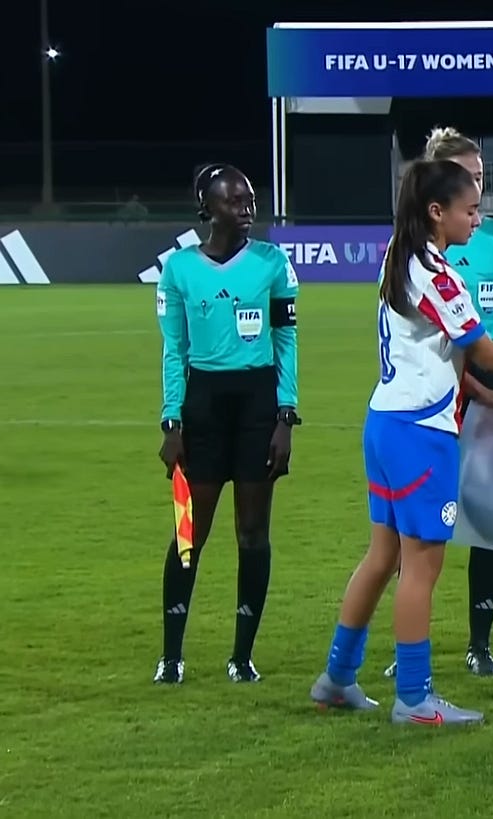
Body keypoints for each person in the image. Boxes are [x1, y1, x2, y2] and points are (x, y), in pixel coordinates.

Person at [308, 159, 493, 726]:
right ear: (436, 212)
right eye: (469, 210)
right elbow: (486, 351)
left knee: (383, 556)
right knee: (420, 568)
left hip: (385, 423)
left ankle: (337, 677)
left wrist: (480, 393)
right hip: (422, 435)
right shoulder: (437, 274)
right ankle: (414, 698)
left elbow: (427, 350)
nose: (477, 219)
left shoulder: (399, 256)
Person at [380, 126, 493, 679]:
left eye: (481, 177)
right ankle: (407, 652)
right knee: (416, 531)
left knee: (488, 517)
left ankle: (480, 642)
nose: (479, 188)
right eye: (468, 178)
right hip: (443, 389)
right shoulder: (416, 254)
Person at [153, 163, 300, 685]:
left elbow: (286, 342)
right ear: (206, 209)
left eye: (250, 199)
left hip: (258, 405)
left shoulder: (272, 263)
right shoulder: (179, 270)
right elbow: (174, 350)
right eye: (234, 201)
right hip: (203, 407)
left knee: (253, 533)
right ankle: (172, 656)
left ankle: (242, 657)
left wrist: (286, 416)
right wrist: (172, 422)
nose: (246, 209)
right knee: (189, 533)